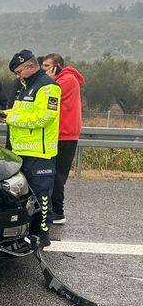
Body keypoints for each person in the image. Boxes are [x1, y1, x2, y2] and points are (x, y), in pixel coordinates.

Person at [0, 49, 61, 247]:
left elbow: (44, 117)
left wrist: (12, 118)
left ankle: (42, 234)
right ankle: (23, 231)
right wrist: (4, 113)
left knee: (41, 196)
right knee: (22, 194)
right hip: (21, 150)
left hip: (39, 153)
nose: (17, 76)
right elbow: (21, 111)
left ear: (30, 67)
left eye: (19, 72)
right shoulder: (26, 86)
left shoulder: (49, 88)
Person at [42, 53, 85, 225]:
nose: (43, 69)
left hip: (65, 134)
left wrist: (49, 80)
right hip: (62, 133)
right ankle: (53, 210)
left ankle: (57, 212)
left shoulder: (66, 80)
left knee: (58, 175)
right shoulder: (65, 79)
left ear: (56, 66)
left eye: (46, 66)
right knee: (54, 174)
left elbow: (47, 95)